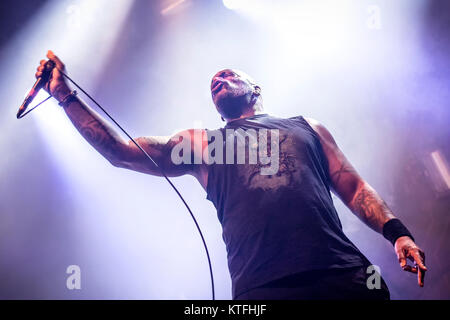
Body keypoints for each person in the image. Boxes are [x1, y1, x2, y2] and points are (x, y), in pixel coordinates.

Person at [35, 50, 427, 300]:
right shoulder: (202, 144)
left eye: (225, 74)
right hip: (263, 287)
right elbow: (120, 152)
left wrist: (398, 232)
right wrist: (65, 96)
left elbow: (354, 186)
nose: (217, 81)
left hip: (344, 277)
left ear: (255, 88)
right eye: (211, 85)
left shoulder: (305, 126)